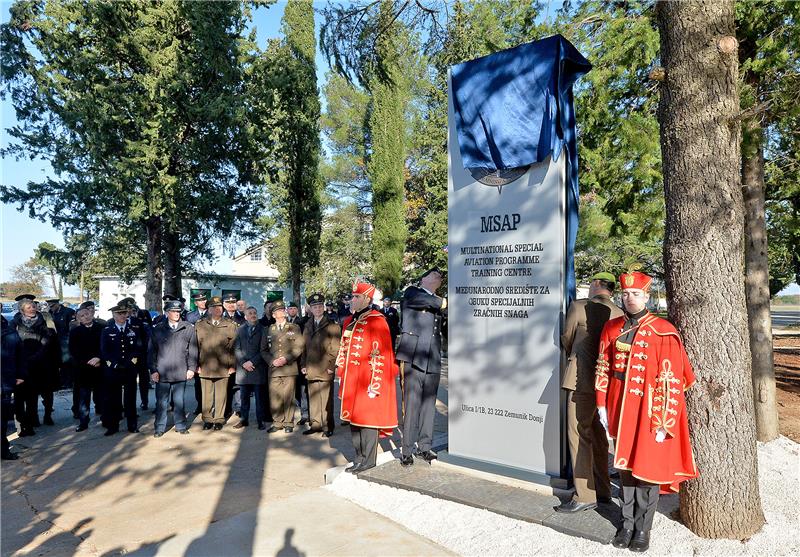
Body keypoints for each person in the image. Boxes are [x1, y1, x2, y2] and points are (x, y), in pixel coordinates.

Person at [596, 270, 698, 552]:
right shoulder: (612, 327)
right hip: (618, 405)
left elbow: (672, 379)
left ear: (647, 297)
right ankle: (626, 523)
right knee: (624, 468)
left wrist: (664, 421)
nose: (630, 298)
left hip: (648, 411)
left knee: (647, 471)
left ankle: (643, 528)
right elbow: (603, 365)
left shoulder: (663, 331)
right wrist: (602, 404)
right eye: (626, 294)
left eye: (636, 294)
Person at [555, 272, 622, 513]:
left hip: (580, 381)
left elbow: (567, 339)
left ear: (595, 284)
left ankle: (584, 494)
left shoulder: (579, 306)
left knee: (578, 435)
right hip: (606, 384)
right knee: (599, 437)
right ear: (612, 290)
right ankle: (603, 491)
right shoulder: (620, 313)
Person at [336, 282, 399, 473]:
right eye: (352, 297)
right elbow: (344, 347)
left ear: (366, 299)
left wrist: (375, 383)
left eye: (356, 297)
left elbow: (382, 354)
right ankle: (359, 458)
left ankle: (368, 460)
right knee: (354, 420)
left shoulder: (377, 320)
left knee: (367, 420)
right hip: (352, 379)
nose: (352, 300)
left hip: (369, 381)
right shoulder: (351, 320)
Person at [395, 269, 447, 466]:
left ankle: (425, 446)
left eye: (439, 276)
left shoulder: (438, 302)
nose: (438, 276)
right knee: (412, 403)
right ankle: (407, 449)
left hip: (432, 356)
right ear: (422, 278)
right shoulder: (412, 293)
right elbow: (430, 302)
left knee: (428, 405)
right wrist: (444, 303)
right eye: (433, 274)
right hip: (414, 355)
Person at [149, 300, 198, 437]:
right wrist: (153, 370)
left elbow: (193, 350)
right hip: (162, 371)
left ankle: (181, 425)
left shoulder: (188, 328)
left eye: (178, 311)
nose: (177, 314)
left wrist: (191, 368)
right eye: (173, 311)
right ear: (167, 312)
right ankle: (159, 428)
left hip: (180, 370)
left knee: (179, 401)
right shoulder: (158, 328)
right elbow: (152, 351)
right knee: (161, 402)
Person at [11, 295, 59, 434]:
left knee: (42, 392)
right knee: (21, 396)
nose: (32, 308)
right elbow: (12, 342)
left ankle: (41, 417)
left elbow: (49, 341)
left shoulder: (45, 320)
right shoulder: (15, 323)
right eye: (29, 307)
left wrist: (39, 357)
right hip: (22, 364)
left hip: (42, 363)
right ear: (22, 310)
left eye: (33, 306)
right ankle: (24, 424)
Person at [100, 304, 147, 435]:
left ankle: (132, 425)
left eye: (124, 313)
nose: (122, 316)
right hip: (113, 370)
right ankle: (112, 426)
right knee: (113, 399)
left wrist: (129, 363)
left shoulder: (133, 330)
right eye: (119, 314)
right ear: (113, 315)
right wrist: (114, 364)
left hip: (129, 369)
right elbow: (104, 351)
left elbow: (137, 348)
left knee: (130, 398)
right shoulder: (107, 331)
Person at [300, 294, 341, 437]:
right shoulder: (307, 325)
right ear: (310, 308)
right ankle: (316, 424)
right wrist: (303, 364)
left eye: (319, 306)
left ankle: (327, 426)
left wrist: (331, 367)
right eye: (314, 307)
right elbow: (303, 347)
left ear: (323, 307)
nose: (317, 309)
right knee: (313, 397)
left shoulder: (332, 325)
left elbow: (335, 349)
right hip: (311, 367)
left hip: (325, 367)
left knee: (326, 399)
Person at [261, 301, 304, 433]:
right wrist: (272, 361)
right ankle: (277, 422)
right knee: (274, 396)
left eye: (282, 310)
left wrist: (286, 358)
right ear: (273, 315)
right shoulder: (268, 329)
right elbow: (263, 350)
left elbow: (299, 347)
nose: (281, 312)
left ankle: (288, 422)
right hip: (274, 369)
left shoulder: (294, 327)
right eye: (278, 311)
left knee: (288, 396)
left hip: (289, 368)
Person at [195, 296, 237, 430]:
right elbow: (195, 347)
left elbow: (235, 347)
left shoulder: (230, 325)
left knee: (221, 394)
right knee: (206, 395)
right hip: (205, 365)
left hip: (223, 365)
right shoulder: (200, 325)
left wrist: (232, 365)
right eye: (214, 307)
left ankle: (219, 419)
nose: (217, 309)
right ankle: (207, 419)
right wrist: (195, 365)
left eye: (219, 307)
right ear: (209, 309)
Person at [69, 307, 104, 432]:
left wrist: (99, 358)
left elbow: (105, 346)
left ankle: (105, 417)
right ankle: (84, 421)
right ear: (78, 319)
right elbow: (73, 350)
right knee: (84, 397)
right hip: (83, 368)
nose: (86, 317)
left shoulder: (101, 328)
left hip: (100, 367)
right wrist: (88, 361)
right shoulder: (75, 331)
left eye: (87, 314)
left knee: (101, 394)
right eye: (82, 316)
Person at [233, 307, 268, 430]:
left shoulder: (263, 329)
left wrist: (252, 362)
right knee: (244, 398)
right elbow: (236, 349)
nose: (253, 315)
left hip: (257, 368)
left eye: (254, 313)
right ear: (245, 316)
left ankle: (260, 421)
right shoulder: (239, 330)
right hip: (243, 370)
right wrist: (244, 363)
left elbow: (263, 349)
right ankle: (244, 419)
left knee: (259, 398)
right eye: (250, 313)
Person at [2, 316, 26, 460]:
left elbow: (20, 355)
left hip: (5, 381)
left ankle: (3, 451)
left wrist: (21, 374)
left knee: (2, 420)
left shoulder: (10, 332)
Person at [186, 293, 208, 413]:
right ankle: (200, 405)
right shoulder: (190, 316)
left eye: (204, 299)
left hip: (210, 352)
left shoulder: (212, 314)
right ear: (195, 303)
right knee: (198, 382)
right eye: (199, 300)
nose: (203, 302)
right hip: (196, 351)